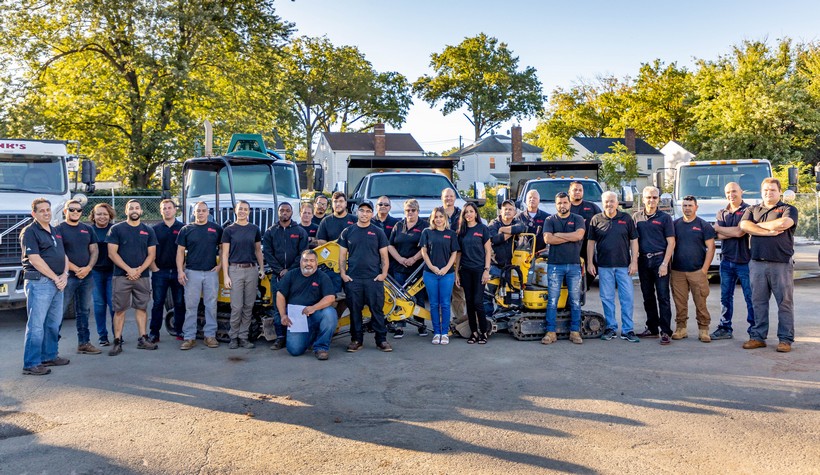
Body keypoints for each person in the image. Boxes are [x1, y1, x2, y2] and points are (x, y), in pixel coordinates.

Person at [739, 178, 798, 353]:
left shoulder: (788, 209)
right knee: (758, 302)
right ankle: (758, 337)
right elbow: (744, 225)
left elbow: (784, 223)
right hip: (757, 263)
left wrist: (756, 226)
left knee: (784, 303)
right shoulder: (752, 209)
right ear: (761, 191)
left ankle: (785, 339)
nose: (768, 193)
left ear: (779, 191)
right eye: (765, 190)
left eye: (772, 190)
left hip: (781, 264)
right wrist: (768, 232)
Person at [21, 198, 70, 375]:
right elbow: (35, 259)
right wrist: (56, 278)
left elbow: (63, 255)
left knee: (53, 324)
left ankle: (49, 356)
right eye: (41, 210)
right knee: (36, 325)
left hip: (57, 282)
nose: (46, 213)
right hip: (39, 283)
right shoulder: (30, 232)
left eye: (48, 209)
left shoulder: (55, 230)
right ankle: (31, 363)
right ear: (33, 213)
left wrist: (65, 275)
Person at [338, 200, 392, 353]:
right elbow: (342, 256)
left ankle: (381, 340)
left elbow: (384, 256)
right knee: (355, 311)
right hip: (353, 279)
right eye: (362, 210)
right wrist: (343, 274)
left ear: (372, 214)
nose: (365, 214)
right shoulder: (347, 232)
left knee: (377, 311)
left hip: (373, 279)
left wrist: (383, 274)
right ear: (357, 212)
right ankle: (356, 340)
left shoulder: (378, 232)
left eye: (368, 211)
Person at [106, 199, 158, 355]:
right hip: (121, 276)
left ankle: (143, 339)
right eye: (131, 208)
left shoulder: (148, 231)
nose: (134, 210)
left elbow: (151, 255)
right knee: (119, 309)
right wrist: (129, 270)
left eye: (137, 208)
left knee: (142, 308)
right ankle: (117, 341)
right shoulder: (116, 229)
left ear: (141, 211)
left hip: (142, 277)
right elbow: (112, 253)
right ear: (126, 211)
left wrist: (139, 270)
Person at [587, 191, 639, 343]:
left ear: (617, 203)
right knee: (607, 298)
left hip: (624, 266)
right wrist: (590, 262)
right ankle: (610, 327)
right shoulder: (596, 219)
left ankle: (628, 330)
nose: (609, 204)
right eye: (606, 201)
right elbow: (590, 243)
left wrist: (634, 261)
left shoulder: (626, 218)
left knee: (627, 298)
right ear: (602, 203)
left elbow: (634, 241)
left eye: (612, 201)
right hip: (604, 266)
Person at [176, 201, 223, 350]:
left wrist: (220, 265)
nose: (201, 213)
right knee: (191, 306)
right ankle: (189, 337)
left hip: (211, 273)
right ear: (194, 212)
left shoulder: (216, 229)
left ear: (208, 212)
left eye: (203, 210)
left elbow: (223, 249)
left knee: (211, 306)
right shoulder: (186, 230)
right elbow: (180, 252)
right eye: (198, 211)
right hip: (192, 273)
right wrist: (180, 271)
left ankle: (210, 336)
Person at [276, 249, 338, 360]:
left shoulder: (323, 277)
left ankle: (321, 347)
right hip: (297, 318)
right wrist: (283, 315)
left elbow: (330, 297)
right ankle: (311, 338)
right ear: (300, 262)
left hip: (315, 314)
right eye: (305, 260)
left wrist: (314, 308)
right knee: (295, 350)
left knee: (330, 313)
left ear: (316, 263)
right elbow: (280, 295)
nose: (308, 263)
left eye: (312, 261)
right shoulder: (291, 275)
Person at [632, 187, 675, 345]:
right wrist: (634, 261)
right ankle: (652, 328)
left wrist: (664, 263)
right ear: (643, 199)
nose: (651, 200)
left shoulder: (665, 218)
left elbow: (671, 242)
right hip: (644, 261)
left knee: (663, 297)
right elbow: (634, 241)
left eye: (655, 197)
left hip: (660, 260)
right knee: (647, 296)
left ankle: (665, 331)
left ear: (658, 199)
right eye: (648, 197)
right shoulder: (636, 217)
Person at [711, 182, 754, 340]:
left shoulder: (749, 210)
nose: (731, 194)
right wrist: (728, 231)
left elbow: (739, 232)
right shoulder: (722, 212)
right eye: (728, 192)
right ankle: (725, 328)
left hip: (745, 261)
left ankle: (754, 331)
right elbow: (718, 236)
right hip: (726, 261)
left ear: (741, 192)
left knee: (750, 297)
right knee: (725, 297)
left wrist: (719, 228)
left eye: (734, 191)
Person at [57, 200, 101, 355]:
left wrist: (88, 268)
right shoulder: (58, 229)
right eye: (72, 209)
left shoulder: (87, 229)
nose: (75, 212)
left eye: (79, 210)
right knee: (59, 312)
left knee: (83, 311)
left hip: (86, 277)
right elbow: (59, 253)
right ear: (65, 211)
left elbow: (94, 250)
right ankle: (50, 349)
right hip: (67, 277)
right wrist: (76, 269)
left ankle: (84, 343)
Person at [262, 202, 308, 350]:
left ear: (292, 213)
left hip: (295, 275)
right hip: (278, 276)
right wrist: (280, 270)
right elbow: (267, 253)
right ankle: (280, 338)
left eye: (287, 210)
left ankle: (294, 336)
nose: (285, 213)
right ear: (278, 212)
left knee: (295, 306)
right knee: (278, 308)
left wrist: (290, 270)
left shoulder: (300, 232)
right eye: (282, 210)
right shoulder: (270, 232)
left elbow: (303, 253)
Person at [541, 192, 585, 345]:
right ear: (556, 204)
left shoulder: (578, 219)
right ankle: (550, 332)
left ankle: (575, 332)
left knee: (575, 300)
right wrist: (568, 236)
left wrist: (558, 235)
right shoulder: (550, 220)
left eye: (565, 202)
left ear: (569, 203)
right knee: (552, 300)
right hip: (555, 265)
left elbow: (578, 236)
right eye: (559, 203)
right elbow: (548, 239)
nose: (562, 205)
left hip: (574, 266)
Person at [670, 196, 716, 343]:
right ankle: (681, 329)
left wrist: (704, 270)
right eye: (685, 205)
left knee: (700, 302)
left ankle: (704, 330)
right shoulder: (675, 225)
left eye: (690, 205)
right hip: (677, 271)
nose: (687, 208)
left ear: (696, 207)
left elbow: (711, 248)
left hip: (697, 271)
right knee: (679, 303)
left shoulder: (703, 225)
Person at [221, 200, 265, 349]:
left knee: (248, 306)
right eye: (240, 209)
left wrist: (261, 268)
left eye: (245, 209)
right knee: (236, 306)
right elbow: (225, 254)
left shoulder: (254, 229)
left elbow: (258, 250)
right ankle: (233, 337)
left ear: (249, 212)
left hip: (252, 270)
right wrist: (226, 275)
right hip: (235, 270)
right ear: (235, 210)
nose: (242, 212)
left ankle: (243, 337)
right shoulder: (229, 230)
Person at [387, 199, 427, 338]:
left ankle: (421, 325)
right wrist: (400, 259)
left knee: (419, 297)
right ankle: (399, 326)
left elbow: (426, 246)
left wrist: (413, 259)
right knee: (399, 297)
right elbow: (390, 245)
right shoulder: (398, 225)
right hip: (399, 267)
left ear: (418, 211)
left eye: (413, 210)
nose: (410, 213)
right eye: (407, 210)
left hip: (417, 268)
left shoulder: (424, 226)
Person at [420, 206, 460, 345]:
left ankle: (444, 332)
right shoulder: (427, 232)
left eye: (441, 216)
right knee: (434, 304)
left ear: (445, 218)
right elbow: (424, 252)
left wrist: (446, 268)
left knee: (445, 304)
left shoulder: (451, 234)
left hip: (447, 274)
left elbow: (454, 253)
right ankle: (437, 332)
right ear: (432, 218)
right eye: (436, 217)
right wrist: (432, 267)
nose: (438, 219)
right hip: (430, 274)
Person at [455, 202, 492, 344]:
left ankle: (484, 332)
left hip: (479, 270)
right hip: (465, 270)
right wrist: (456, 273)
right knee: (469, 303)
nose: (469, 214)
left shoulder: (482, 229)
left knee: (478, 302)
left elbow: (488, 251)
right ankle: (474, 332)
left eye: (471, 211)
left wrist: (486, 270)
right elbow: (459, 254)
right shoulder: (461, 231)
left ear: (476, 213)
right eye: (466, 212)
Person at [149, 199, 185, 343]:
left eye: (170, 208)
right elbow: (149, 250)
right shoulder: (155, 229)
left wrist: (183, 269)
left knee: (180, 303)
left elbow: (187, 250)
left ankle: (179, 330)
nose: (167, 210)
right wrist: (154, 268)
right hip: (160, 272)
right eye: (164, 208)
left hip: (178, 272)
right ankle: (154, 333)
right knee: (158, 303)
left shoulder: (183, 228)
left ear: (175, 210)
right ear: (161, 211)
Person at [485, 199, 526, 317]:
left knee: (505, 296)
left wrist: (503, 230)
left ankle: (502, 318)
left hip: (511, 268)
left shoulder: (517, 222)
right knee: (488, 295)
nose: (507, 211)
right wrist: (511, 233)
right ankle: (487, 319)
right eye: (505, 209)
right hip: (494, 266)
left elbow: (521, 228)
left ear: (515, 212)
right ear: (501, 211)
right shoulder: (493, 223)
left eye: (510, 209)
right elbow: (494, 239)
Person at [316, 191, 356, 293]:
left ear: (346, 203)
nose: (338, 204)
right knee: (333, 295)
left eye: (341, 201)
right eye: (335, 201)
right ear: (332, 204)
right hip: (332, 267)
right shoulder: (326, 221)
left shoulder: (355, 220)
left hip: (352, 265)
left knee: (352, 296)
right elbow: (321, 243)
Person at [89, 203, 116, 346]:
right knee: (99, 305)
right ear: (93, 216)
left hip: (112, 271)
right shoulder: (89, 230)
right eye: (99, 214)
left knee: (113, 305)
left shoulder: (115, 229)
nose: (102, 217)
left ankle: (117, 335)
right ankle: (102, 336)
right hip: (95, 272)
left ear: (110, 215)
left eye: (105, 214)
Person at [441, 188, 466, 324]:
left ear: (455, 198)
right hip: (441, 258)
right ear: (442, 198)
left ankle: (459, 322)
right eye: (446, 196)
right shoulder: (437, 213)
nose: (448, 198)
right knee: (442, 294)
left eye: (451, 196)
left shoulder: (462, 215)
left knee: (458, 292)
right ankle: (442, 322)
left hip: (458, 257)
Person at [569, 181, 602, 285]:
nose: (577, 192)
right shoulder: (565, 207)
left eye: (580, 190)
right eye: (575, 190)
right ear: (569, 192)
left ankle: (584, 287)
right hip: (570, 245)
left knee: (592, 268)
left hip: (588, 245)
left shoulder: (592, 207)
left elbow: (602, 222)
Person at [519, 189, 550, 255]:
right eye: (530, 197)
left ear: (539, 201)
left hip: (541, 255)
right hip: (522, 254)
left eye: (534, 198)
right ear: (526, 201)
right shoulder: (518, 217)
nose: (532, 199)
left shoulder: (546, 217)